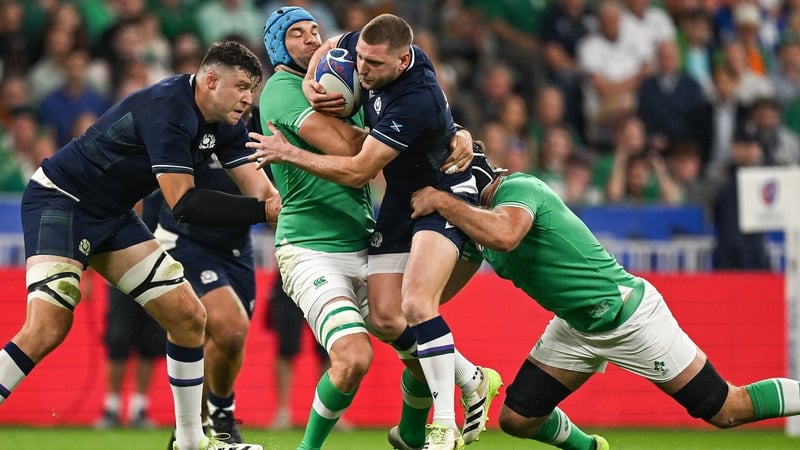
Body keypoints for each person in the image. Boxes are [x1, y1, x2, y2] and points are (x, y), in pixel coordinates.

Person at [408, 152, 800, 450]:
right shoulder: (477, 228)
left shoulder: (520, 188)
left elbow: (507, 235)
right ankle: (591, 447)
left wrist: (442, 204)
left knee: (727, 409)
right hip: (576, 327)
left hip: (629, 318)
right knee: (517, 419)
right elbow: (438, 294)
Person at [0, 40, 281, 450]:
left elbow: (261, 191)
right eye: (240, 87)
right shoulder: (169, 109)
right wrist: (262, 213)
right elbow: (183, 203)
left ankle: (189, 441)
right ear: (211, 79)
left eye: (252, 89)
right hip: (62, 199)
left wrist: (279, 208)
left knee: (188, 317)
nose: (247, 98)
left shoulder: (227, 122)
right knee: (48, 325)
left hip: (112, 215)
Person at [250, 12, 501, 450]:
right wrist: (316, 87)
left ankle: (410, 434)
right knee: (355, 356)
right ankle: (311, 447)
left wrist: (450, 131)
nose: (312, 38)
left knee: (404, 329)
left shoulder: (356, 74)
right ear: (276, 48)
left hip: (364, 233)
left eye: (313, 28)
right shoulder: (282, 91)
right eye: (296, 34)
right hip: (311, 247)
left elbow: (365, 158)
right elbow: (349, 146)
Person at [157, 149, 263, 446]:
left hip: (238, 249)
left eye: (249, 97)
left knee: (228, 341)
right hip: (185, 240)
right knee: (230, 328)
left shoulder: (263, 126)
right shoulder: (192, 126)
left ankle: (190, 428)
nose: (244, 99)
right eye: (239, 96)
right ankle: (221, 417)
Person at [95, 192, 166, 430]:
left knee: (150, 343)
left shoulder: (170, 178)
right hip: (122, 269)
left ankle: (139, 408)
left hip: (160, 268)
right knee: (118, 340)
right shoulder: (128, 173)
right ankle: (112, 407)